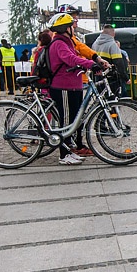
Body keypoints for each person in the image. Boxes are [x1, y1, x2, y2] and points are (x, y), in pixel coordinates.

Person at [46, 13, 99, 165]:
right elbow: (70, 59)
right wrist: (90, 64)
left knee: (74, 120)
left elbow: (79, 54)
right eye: (71, 26)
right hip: (63, 86)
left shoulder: (68, 42)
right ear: (65, 28)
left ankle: (69, 149)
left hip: (73, 86)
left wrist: (94, 61)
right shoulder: (59, 43)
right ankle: (63, 155)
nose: (74, 28)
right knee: (66, 121)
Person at [91, 25, 128, 97]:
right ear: (113, 33)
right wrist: (125, 78)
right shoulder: (112, 44)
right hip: (110, 77)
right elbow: (118, 62)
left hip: (97, 75)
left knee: (101, 98)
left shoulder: (95, 43)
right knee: (112, 100)